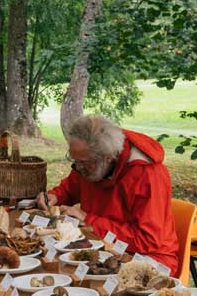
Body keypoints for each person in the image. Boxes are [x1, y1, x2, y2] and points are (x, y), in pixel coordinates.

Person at [41, 115, 180, 274]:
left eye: (84, 163)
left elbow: (147, 240)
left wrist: (88, 220)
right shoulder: (88, 161)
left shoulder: (147, 174)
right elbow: (71, 188)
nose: (78, 168)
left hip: (148, 257)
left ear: (107, 158)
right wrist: (56, 196)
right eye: (74, 160)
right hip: (100, 244)